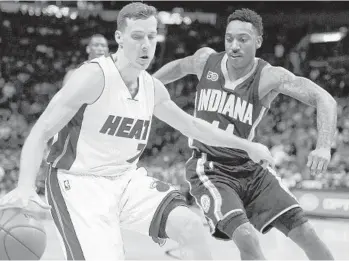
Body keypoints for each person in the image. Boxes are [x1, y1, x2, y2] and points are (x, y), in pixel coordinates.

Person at [0, 4, 274, 260]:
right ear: (119, 37)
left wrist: (246, 146)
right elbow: (41, 131)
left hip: (125, 180)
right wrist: (25, 185)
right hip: (79, 183)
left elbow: (193, 126)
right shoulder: (94, 76)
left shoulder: (151, 87)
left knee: (191, 226)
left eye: (152, 36)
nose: (146, 45)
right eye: (137, 36)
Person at [153, 8, 336, 260]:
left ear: (258, 41)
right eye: (229, 38)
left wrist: (324, 145)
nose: (234, 45)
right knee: (246, 237)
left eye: (243, 39)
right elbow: (179, 67)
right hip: (211, 168)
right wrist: (147, 83)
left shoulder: (269, 76)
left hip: (250, 168)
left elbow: (323, 98)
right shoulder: (206, 60)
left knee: (306, 233)